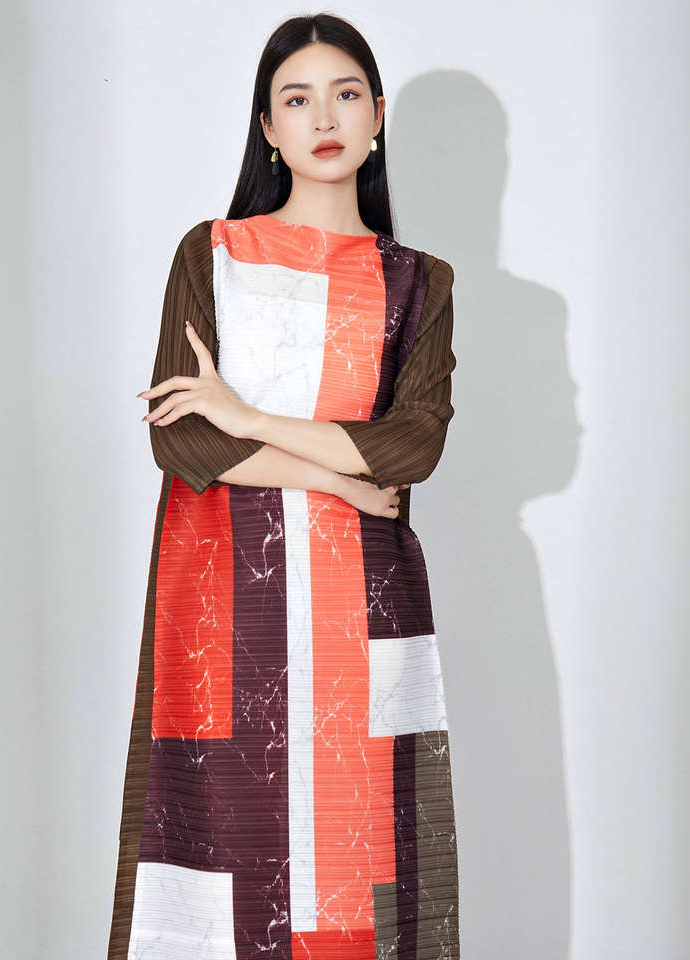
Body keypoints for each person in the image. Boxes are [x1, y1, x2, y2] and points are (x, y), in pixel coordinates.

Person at [108, 13, 459, 959]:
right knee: (216, 856)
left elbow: (414, 444)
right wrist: (338, 479)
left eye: (345, 95)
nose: (324, 118)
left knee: (364, 860)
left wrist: (248, 415)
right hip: (224, 603)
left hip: (363, 608)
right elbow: (184, 440)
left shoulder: (418, 283)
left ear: (377, 114)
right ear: (268, 127)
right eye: (296, 100)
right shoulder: (212, 254)